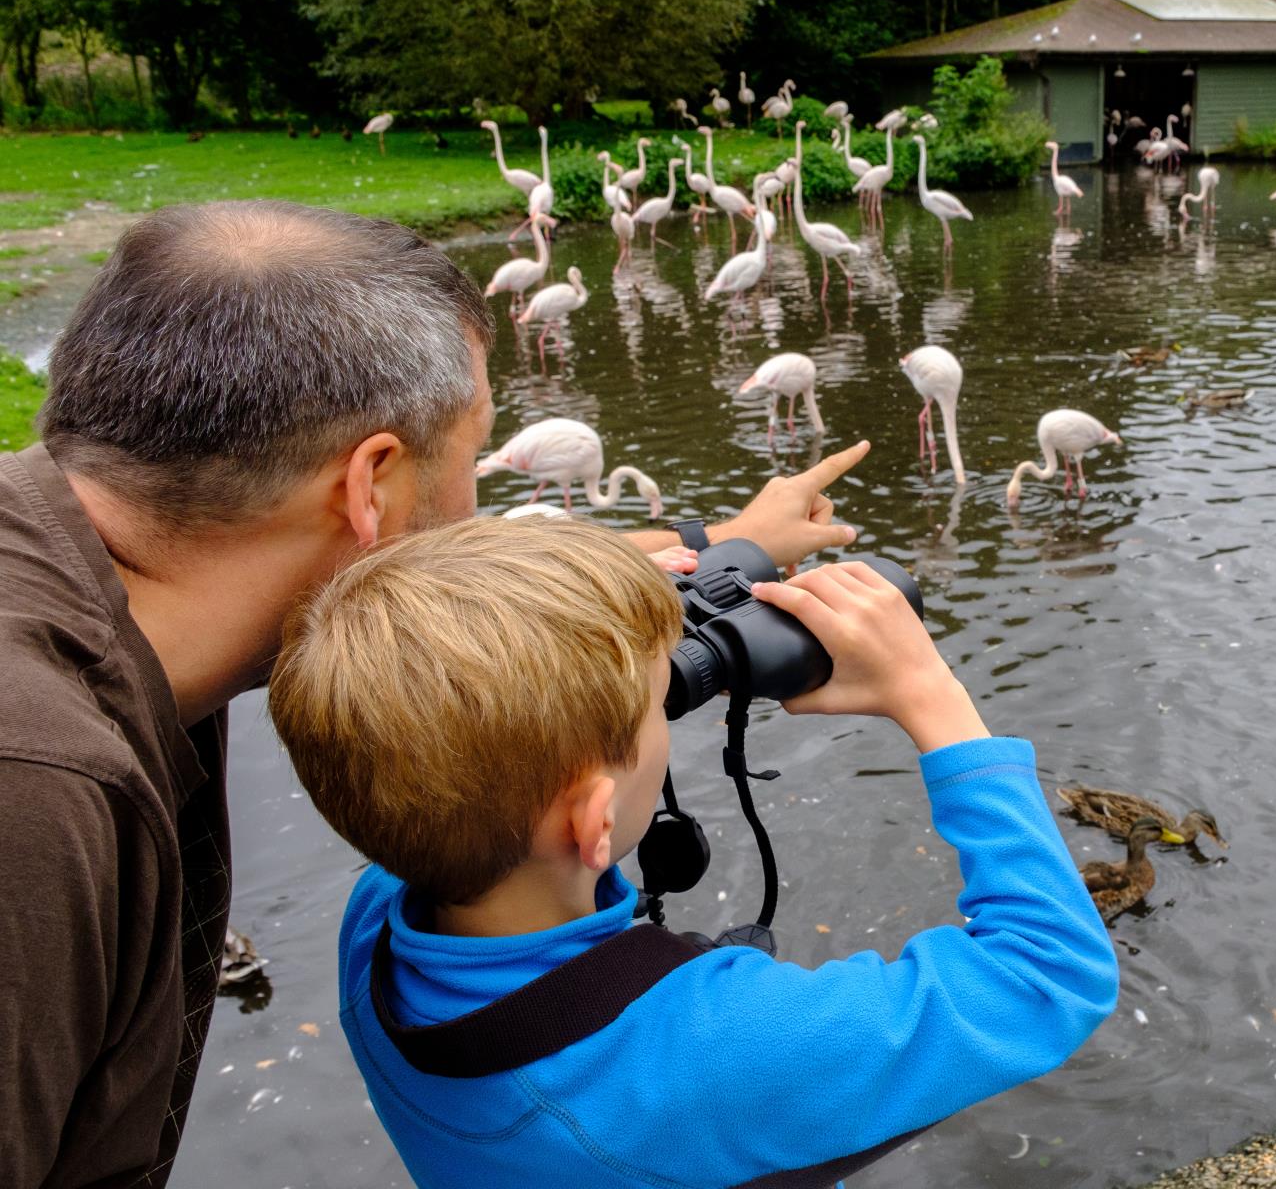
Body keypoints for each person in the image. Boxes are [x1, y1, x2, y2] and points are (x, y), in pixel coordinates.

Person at [0, 200, 868, 1187]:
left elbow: (431, 583)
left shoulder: (83, 580)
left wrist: (726, 549)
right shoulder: (31, 792)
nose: (479, 504)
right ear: (371, 483)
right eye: (471, 452)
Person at [264, 515, 1118, 1185]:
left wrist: (662, 593)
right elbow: (1051, 973)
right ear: (593, 825)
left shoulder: (379, 915)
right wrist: (935, 701)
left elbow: (439, 728)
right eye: (656, 708)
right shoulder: (722, 1050)